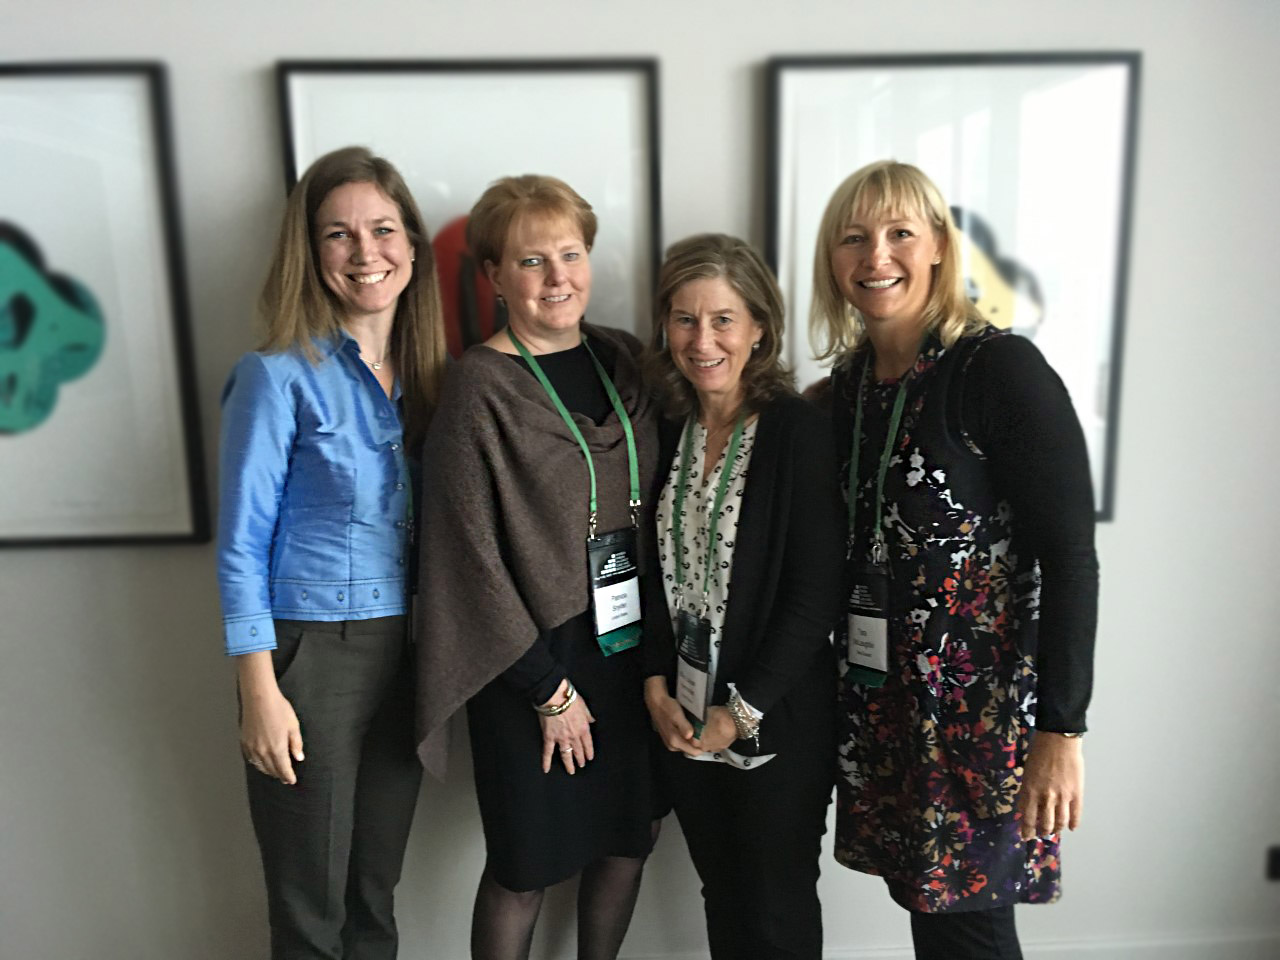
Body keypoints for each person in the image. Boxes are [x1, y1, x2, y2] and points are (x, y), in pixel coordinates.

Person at [810, 160, 1099, 959]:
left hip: (980, 719)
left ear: (938, 245)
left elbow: (1072, 558)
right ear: (832, 260)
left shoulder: (998, 369)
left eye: (901, 233)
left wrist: (1061, 731)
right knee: (935, 925)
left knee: (968, 932)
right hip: (889, 706)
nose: (877, 256)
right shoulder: (849, 387)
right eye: (855, 238)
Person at [413, 175, 662, 960]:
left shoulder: (625, 362)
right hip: (530, 662)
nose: (558, 277)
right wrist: (548, 691)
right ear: (493, 275)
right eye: (531, 261)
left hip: (631, 654)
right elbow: (464, 556)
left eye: (571, 254)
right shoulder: (477, 388)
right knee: (525, 868)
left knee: (628, 841)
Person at [216, 145, 447, 959]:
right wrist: (258, 692)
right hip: (308, 656)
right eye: (338, 235)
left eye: (383, 229)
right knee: (309, 906)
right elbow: (240, 541)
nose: (364, 252)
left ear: (412, 246)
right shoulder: (275, 376)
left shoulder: (431, 382)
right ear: (311, 255)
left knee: (373, 894)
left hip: (408, 653)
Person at [642, 234, 844, 960]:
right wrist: (656, 683)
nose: (703, 341)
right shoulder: (668, 427)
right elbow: (654, 575)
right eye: (686, 320)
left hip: (776, 719)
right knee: (722, 894)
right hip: (686, 715)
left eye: (723, 319)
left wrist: (743, 710)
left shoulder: (798, 433)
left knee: (775, 906)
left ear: (759, 327)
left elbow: (815, 593)